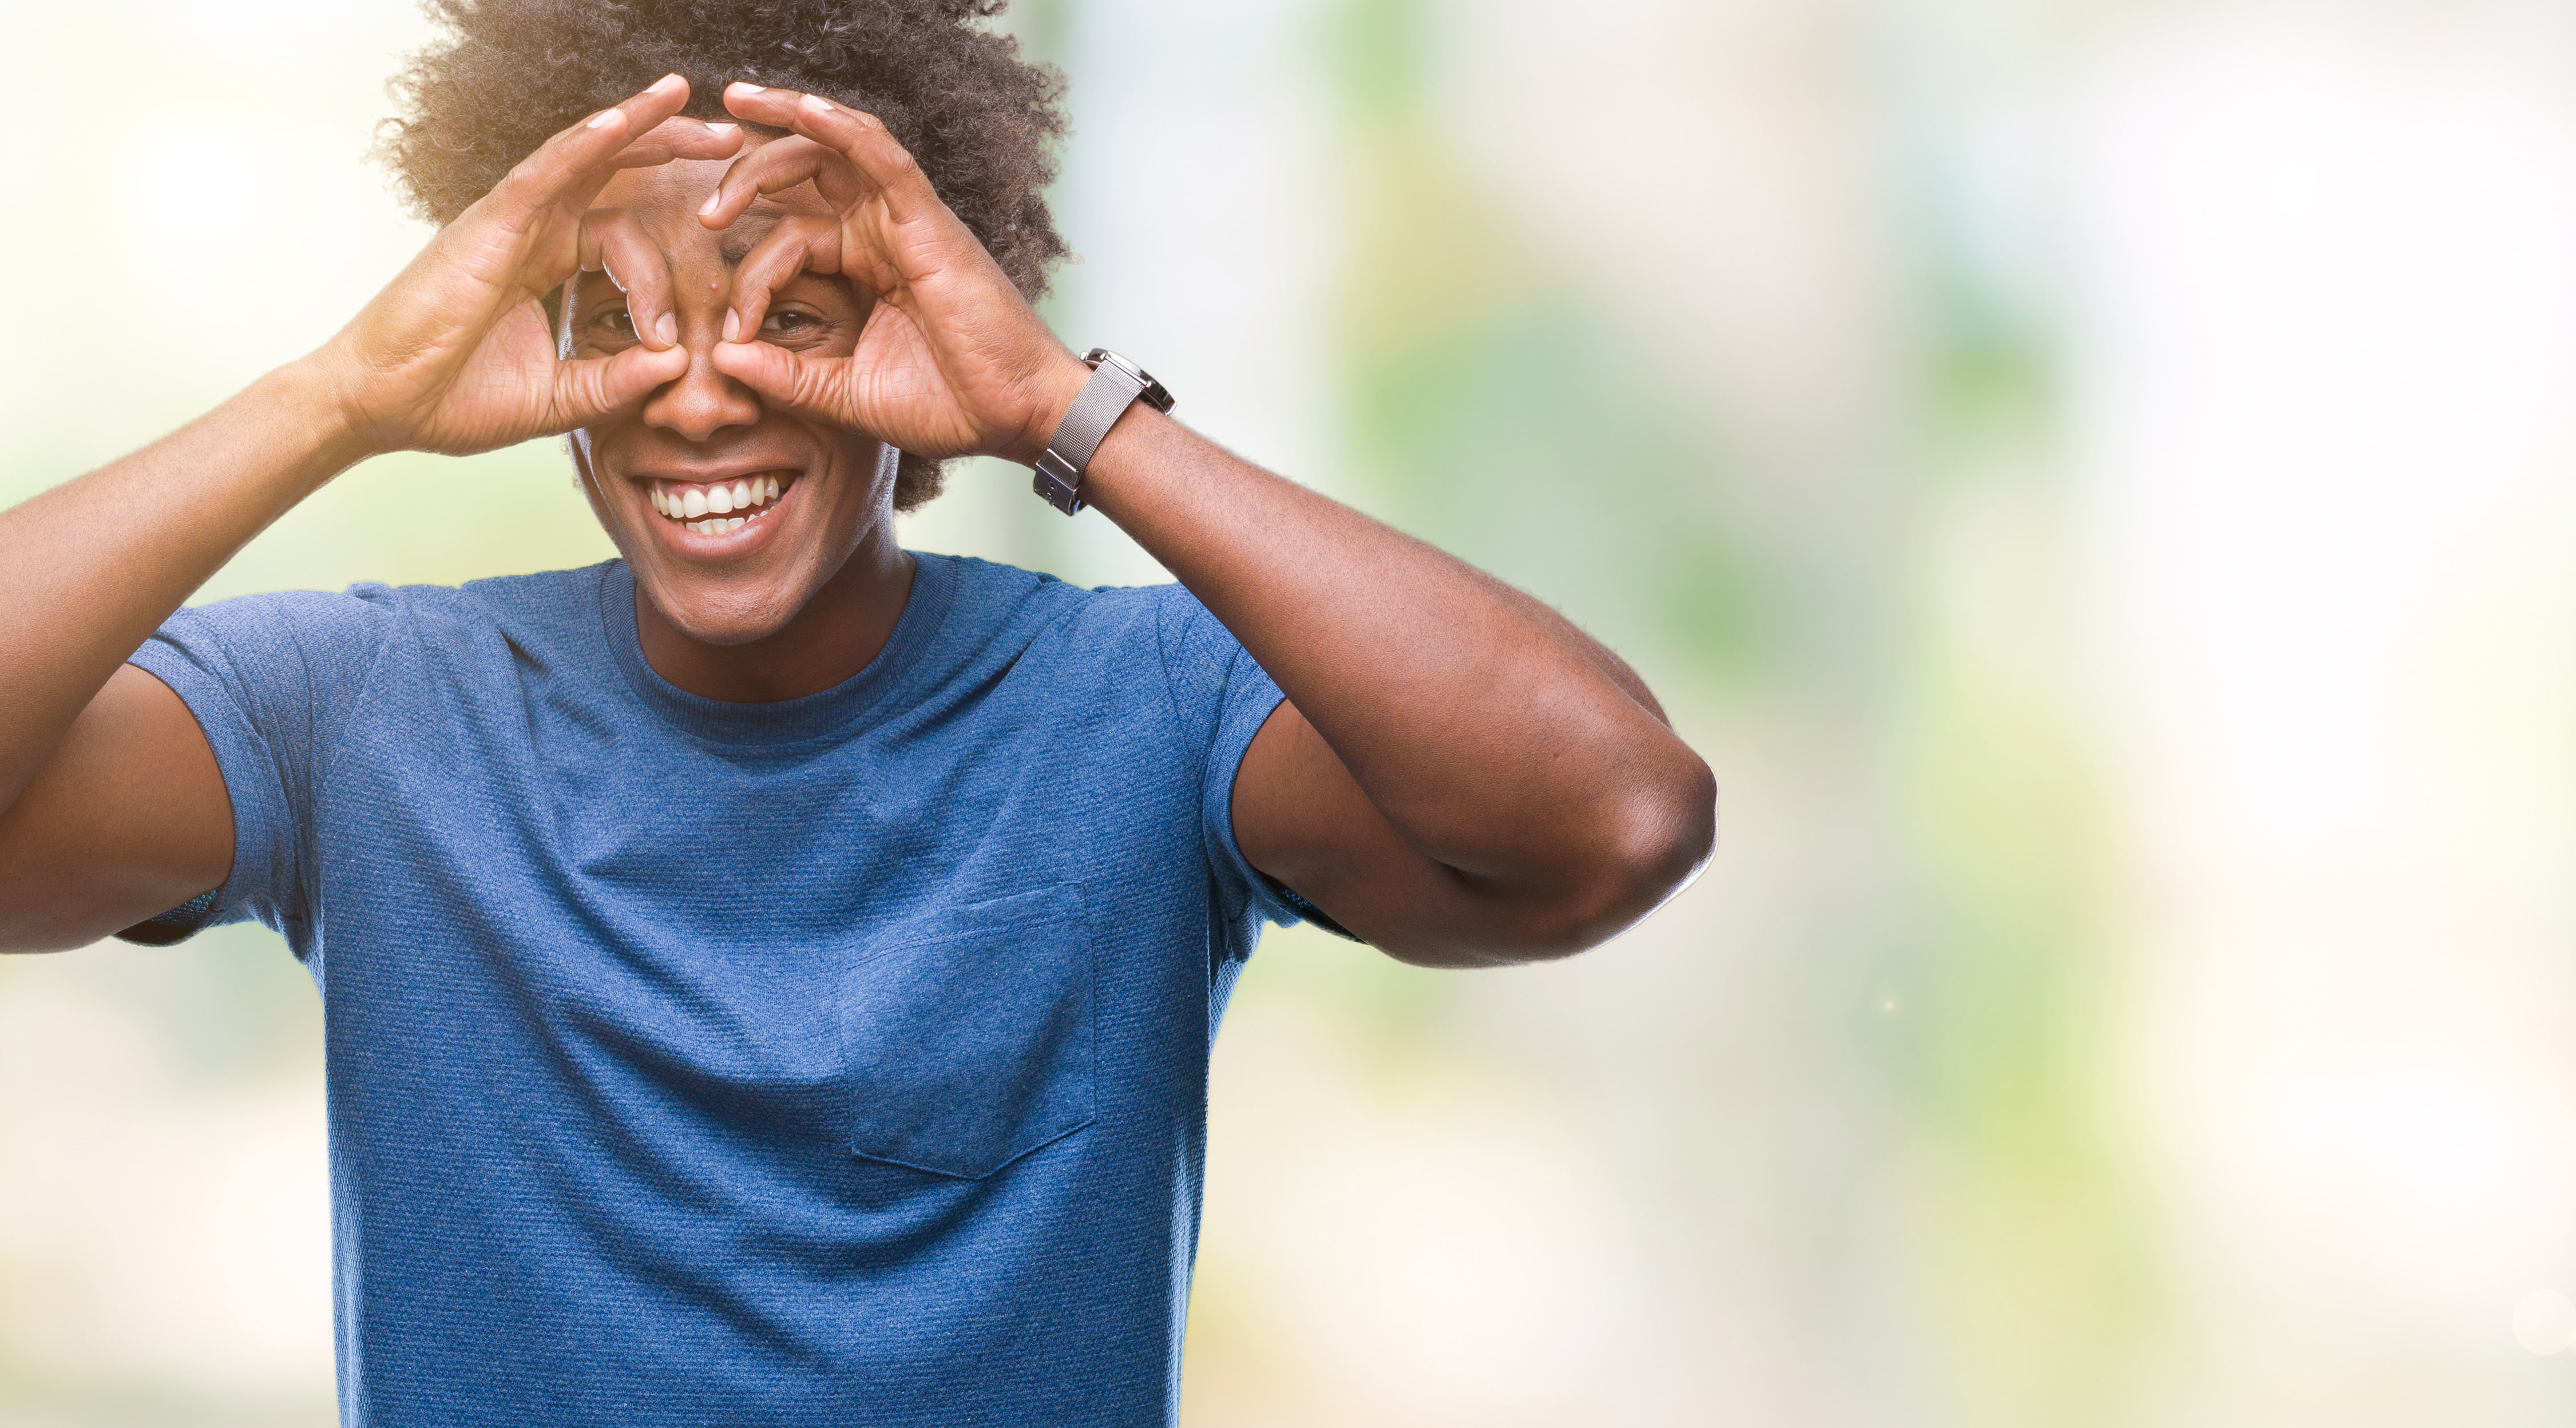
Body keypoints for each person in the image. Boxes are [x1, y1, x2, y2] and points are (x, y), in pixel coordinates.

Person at [0, 2, 1714, 1422]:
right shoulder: (358, 715)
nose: (695, 397)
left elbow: (1611, 821)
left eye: (788, 323)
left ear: (917, 360)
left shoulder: (1145, 709)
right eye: (625, 328)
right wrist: (340, 401)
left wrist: (1063, 405)